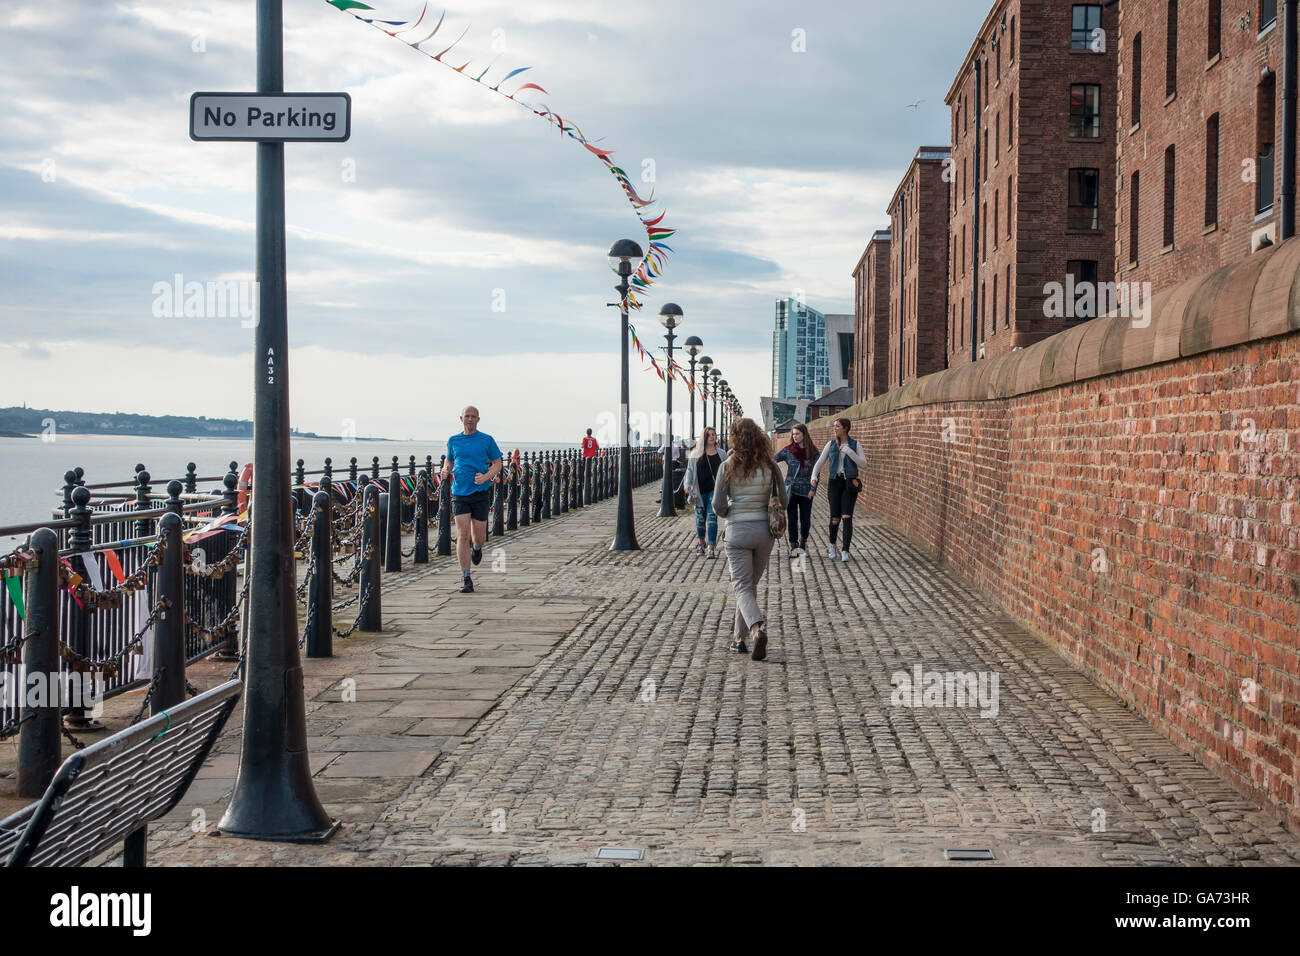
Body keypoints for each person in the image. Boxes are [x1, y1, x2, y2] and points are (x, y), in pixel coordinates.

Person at [712, 417, 787, 660]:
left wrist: (730, 512)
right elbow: (784, 502)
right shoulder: (771, 466)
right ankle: (739, 639)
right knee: (748, 586)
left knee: (742, 586)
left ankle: (756, 629)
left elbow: (718, 505)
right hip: (765, 533)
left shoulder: (727, 466)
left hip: (737, 531)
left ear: (735, 438)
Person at [439, 405, 503, 593]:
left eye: (473, 416)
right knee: (462, 534)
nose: (470, 419)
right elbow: (449, 460)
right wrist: (445, 469)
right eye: (467, 416)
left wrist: (486, 477)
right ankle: (466, 577)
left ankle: (477, 547)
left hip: (480, 493)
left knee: (479, 537)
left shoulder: (486, 440)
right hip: (459, 492)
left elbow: (498, 463)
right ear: (461, 418)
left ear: (478, 419)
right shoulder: (453, 440)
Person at [809, 417, 866, 562]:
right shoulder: (831, 444)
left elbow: (863, 464)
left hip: (849, 483)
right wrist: (814, 477)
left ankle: (845, 550)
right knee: (835, 518)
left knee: (847, 517)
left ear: (845, 428)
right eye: (834, 426)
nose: (834, 428)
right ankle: (832, 545)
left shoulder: (855, 444)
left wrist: (848, 451)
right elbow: (820, 462)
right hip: (834, 482)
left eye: (837, 426)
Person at [773, 423, 817, 554]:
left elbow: (816, 471)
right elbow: (772, 460)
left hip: (806, 491)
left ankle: (803, 539)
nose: (795, 436)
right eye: (793, 434)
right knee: (792, 518)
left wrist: (813, 489)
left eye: (797, 433)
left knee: (805, 519)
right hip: (791, 491)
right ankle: (794, 544)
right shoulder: (788, 450)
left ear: (804, 434)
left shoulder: (813, 452)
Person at [683, 426, 725, 558]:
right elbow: (689, 471)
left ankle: (711, 548)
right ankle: (701, 543)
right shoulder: (696, 454)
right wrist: (687, 485)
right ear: (705, 437)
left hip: (715, 491)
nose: (712, 436)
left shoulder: (722, 453)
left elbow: (727, 470)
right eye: (710, 435)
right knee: (700, 521)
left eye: (714, 434)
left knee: (712, 519)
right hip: (699, 491)